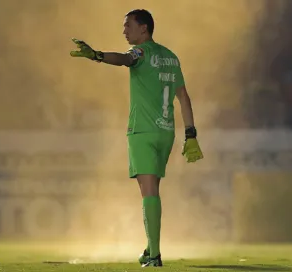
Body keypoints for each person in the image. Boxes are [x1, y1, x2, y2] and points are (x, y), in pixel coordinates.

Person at [70, 9, 203, 267]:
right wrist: (191, 134)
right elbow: (183, 97)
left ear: (144, 28)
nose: (124, 31)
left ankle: (154, 256)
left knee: (148, 192)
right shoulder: (171, 57)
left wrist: (96, 55)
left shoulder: (140, 53)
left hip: (142, 131)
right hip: (167, 133)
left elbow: (123, 59)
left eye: (128, 25)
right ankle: (149, 247)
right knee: (153, 190)